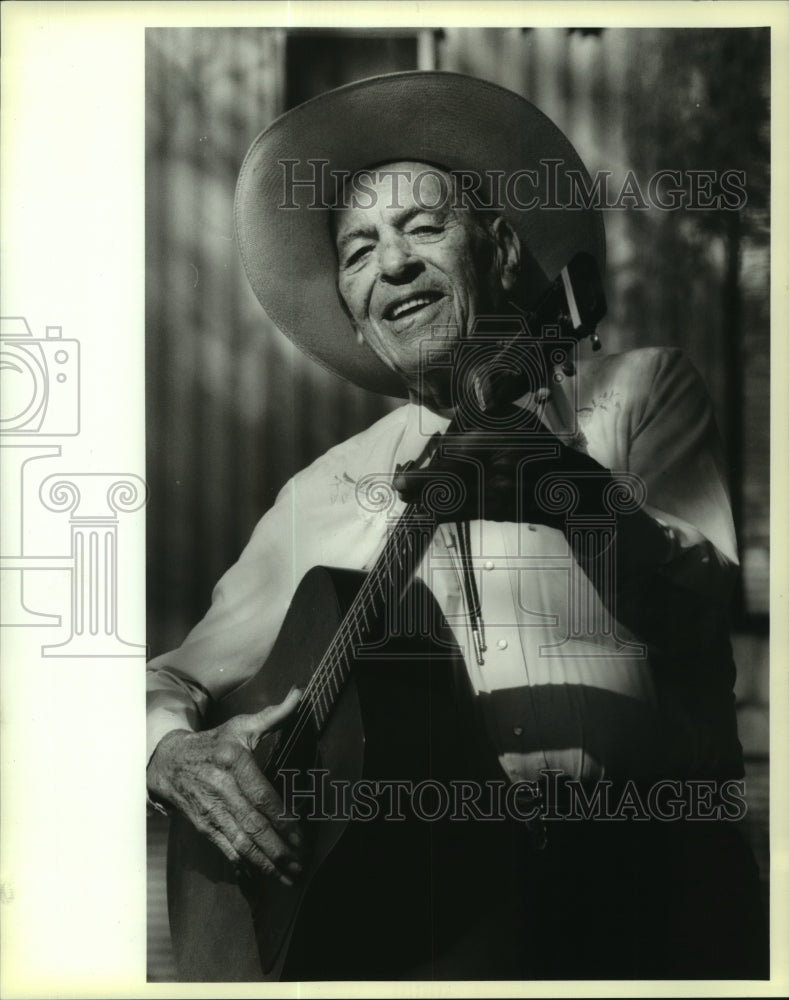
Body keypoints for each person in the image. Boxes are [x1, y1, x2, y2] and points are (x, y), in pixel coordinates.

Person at [146, 72, 767, 981]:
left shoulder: (634, 394)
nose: (390, 264)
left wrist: (565, 490)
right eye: (357, 252)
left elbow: (701, 597)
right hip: (438, 918)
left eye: (422, 228)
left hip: (657, 883)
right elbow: (170, 677)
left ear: (504, 249)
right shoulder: (316, 495)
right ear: (358, 321)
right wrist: (170, 752)